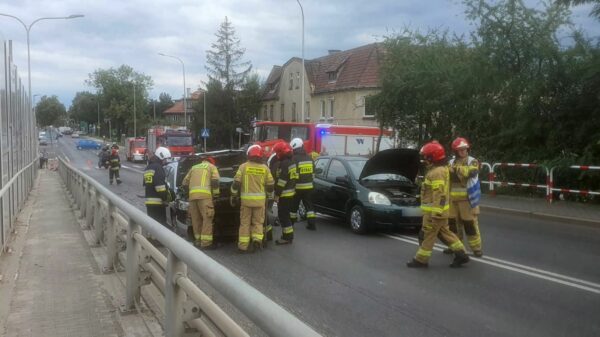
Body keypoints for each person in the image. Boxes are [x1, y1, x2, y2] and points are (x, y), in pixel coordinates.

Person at [407, 141, 470, 268]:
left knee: (427, 236)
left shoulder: (437, 172)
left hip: (434, 213)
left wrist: (436, 212)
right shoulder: (439, 170)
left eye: (426, 156)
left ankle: (421, 260)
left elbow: (440, 194)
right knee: (445, 233)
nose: (424, 159)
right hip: (437, 212)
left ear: (432, 157)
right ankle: (461, 254)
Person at [443, 137, 483, 257]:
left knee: (470, 224)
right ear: (455, 151)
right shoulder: (450, 162)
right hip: (452, 200)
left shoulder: (472, 161)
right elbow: (447, 175)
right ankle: (455, 247)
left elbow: (472, 172)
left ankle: (477, 249)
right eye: (460, 150)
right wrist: (459, 172)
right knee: (453, 226)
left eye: (464, 149)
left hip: (467, 200)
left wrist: (456, 171)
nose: (463, 152)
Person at [231, 145, 274, 253]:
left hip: (246, 202)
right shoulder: (265, 168)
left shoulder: (243, 167)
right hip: (260, 202)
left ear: (249, 154)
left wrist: (233, 194)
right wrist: (269, 194)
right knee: (258, 223)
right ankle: (257, 240)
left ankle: (243, 246)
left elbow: (236, 183)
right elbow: (270, 185)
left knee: (245, 223)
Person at [182, 156, 220, 249]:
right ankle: (206, 243)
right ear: (211, 162)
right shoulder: (211, 167)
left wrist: (188, 195)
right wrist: (216, 195)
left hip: (192, 197)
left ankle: (198, 240)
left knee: (196, 219)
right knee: (207, 219)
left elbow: (184, 183)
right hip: (205, 197)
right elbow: (215, 181)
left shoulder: (194, 167)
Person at [271, 141, 297, 245]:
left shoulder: (284, 163)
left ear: (282, 152)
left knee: (283, 216)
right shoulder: (291, 161)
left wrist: (277, 194)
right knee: (286, 215)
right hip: (290, 193)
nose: (277, 155)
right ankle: (288, 236)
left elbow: (282, 181)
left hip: (285, 194)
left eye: (278, 153)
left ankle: (287, 237)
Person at [289, 138, 317, 230]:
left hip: (297, 188)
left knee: (293, 207)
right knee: (309, 206)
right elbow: (313, 173)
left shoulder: (293, 159)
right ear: (302, 146)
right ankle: (312, 225)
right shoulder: (309, 158)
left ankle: (291, 225)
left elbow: (292, 174)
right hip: (309, 187)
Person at [143, 147, 171, 228]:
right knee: (160, 227)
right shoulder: (158, 168)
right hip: (158, 204)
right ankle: (157, 241)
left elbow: (146, 184)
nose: (166, 162)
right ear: (161, 157)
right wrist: (165, 198)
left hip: (149, 203)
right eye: (165, 159)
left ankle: (151, 240)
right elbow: (160, 188)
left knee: (152, 227)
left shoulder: (148, 168)